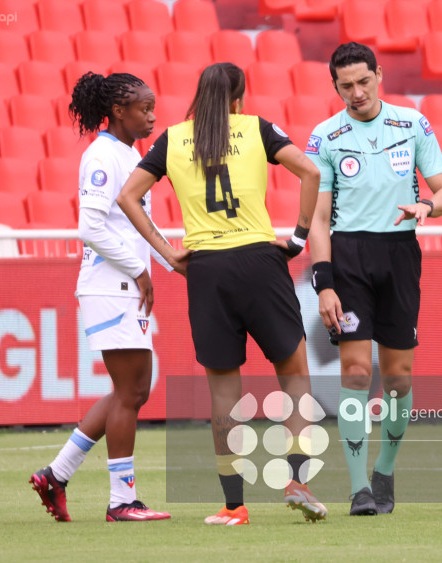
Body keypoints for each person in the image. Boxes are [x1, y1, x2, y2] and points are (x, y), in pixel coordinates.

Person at [117, 62, 326, 525]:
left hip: (207, 270)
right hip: (259, 262)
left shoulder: (172, 139)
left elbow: (128, 196)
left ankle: (234, 506)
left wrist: (168, 254)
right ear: (238, 99)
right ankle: (298, 481)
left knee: (224, 393)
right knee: (294, 376)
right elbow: (310, 173)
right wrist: (297, 239)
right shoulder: (256, 129)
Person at [307, 42, 442, 516]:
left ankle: (385, 470)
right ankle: (359, 490)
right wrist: (324, 282)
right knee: (356, 371)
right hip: (348, 256)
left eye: (363, 81)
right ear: (335, 87)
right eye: (346, 85)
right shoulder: (325, 136)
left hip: (399, 254)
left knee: (397, 377)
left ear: (379, 75)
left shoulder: (413, 124)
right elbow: (318, 218)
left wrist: (426, 206)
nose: (356, 92)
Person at [30, 72, 179, 522]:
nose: (152, 116)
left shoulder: (128, 154)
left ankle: (56, 474)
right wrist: (139, 270)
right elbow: (90, 227)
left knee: (129, 391)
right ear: (118, 110)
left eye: (153, 107)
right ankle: (122, 501)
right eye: (144, 108)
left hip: (120, 287)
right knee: (132, 391)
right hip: (110, 287)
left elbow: (131, 226)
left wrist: (173, 261)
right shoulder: (102, 156)